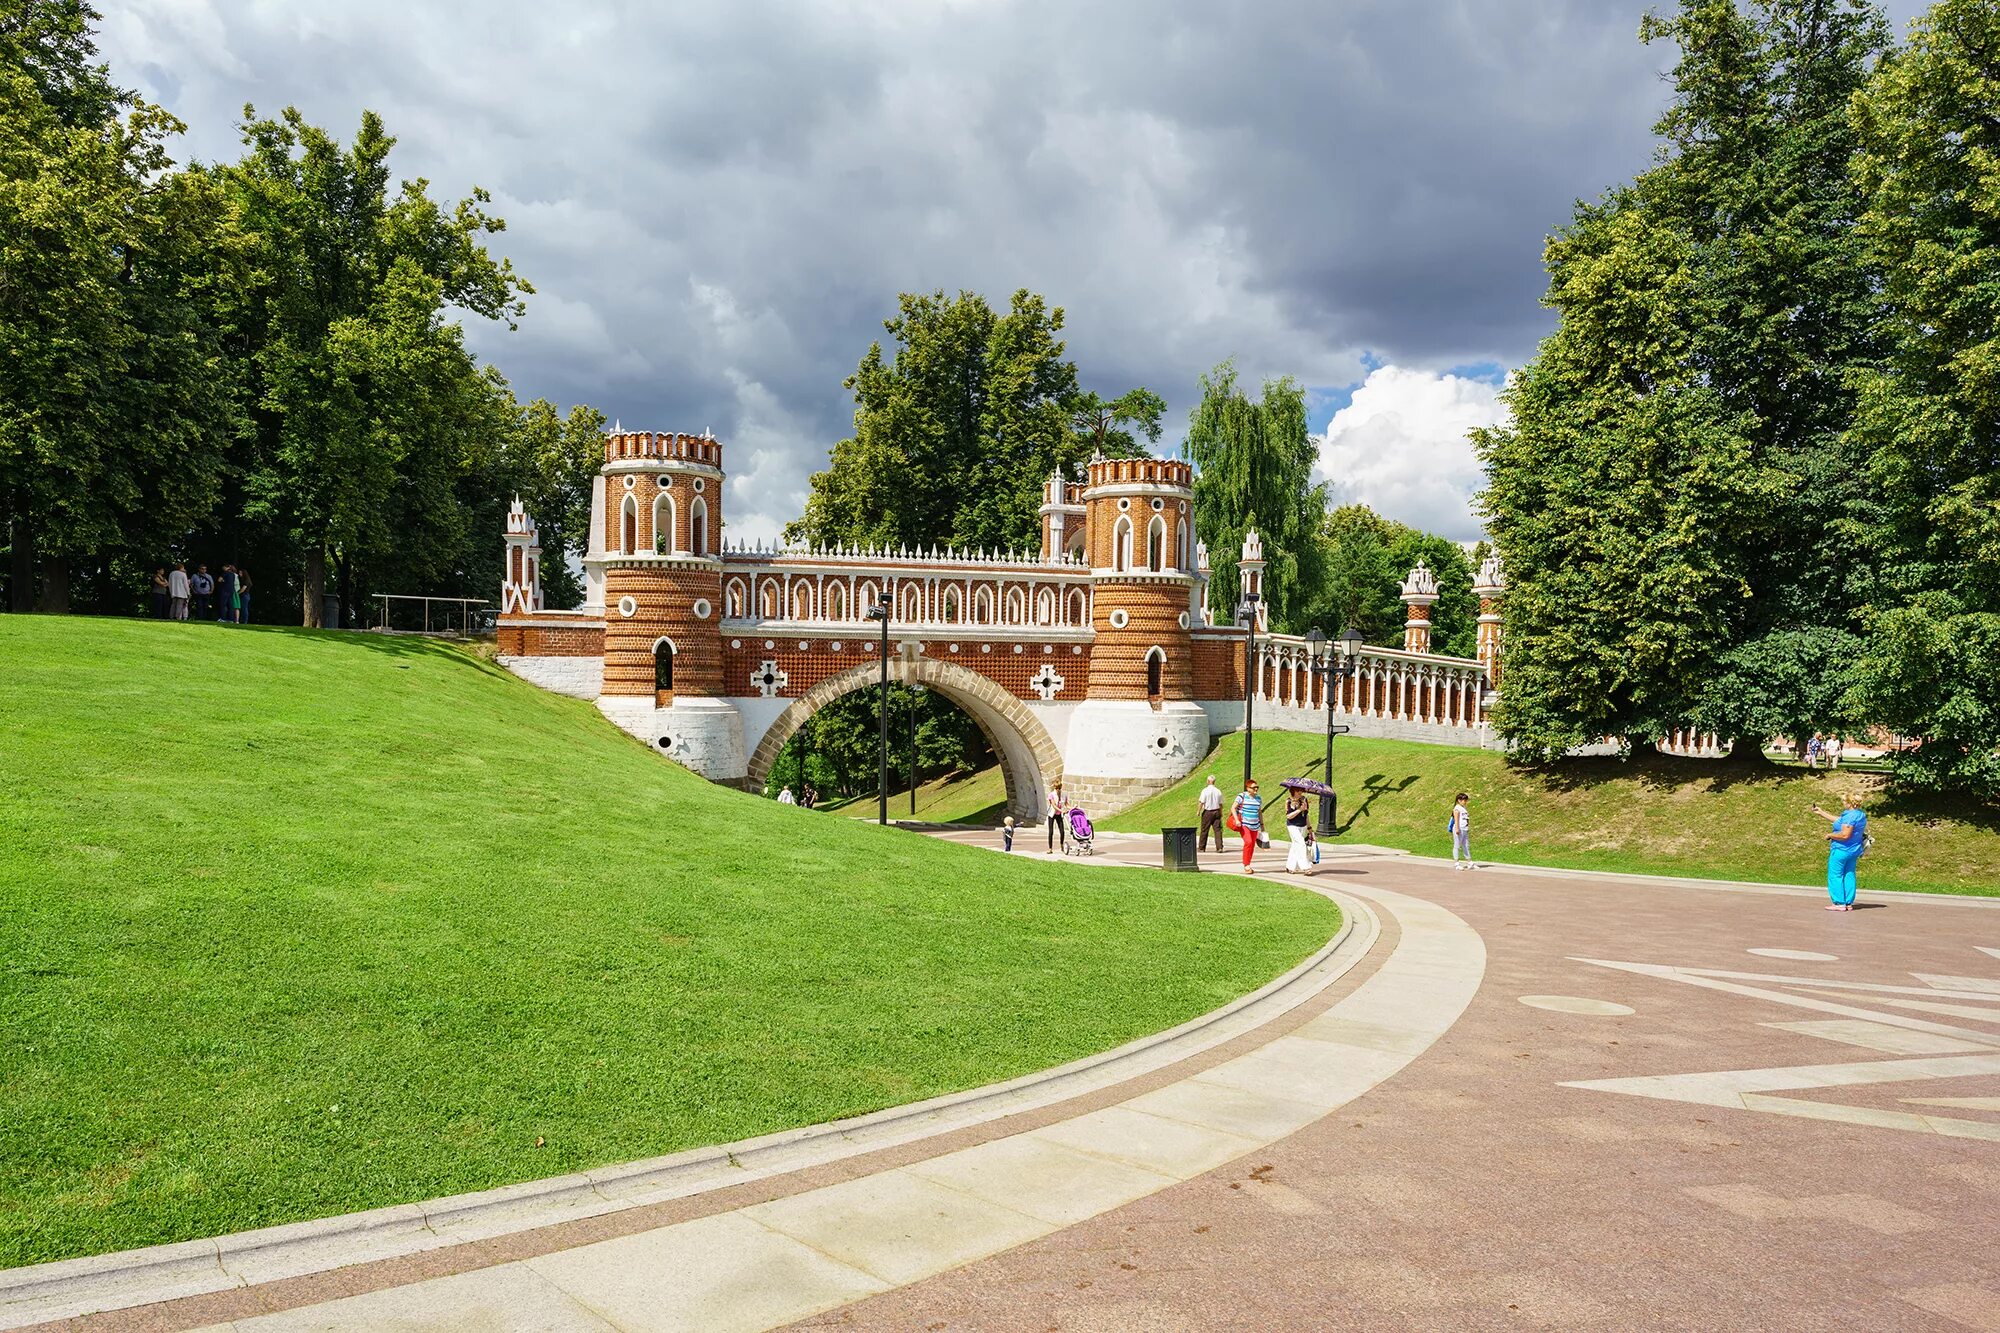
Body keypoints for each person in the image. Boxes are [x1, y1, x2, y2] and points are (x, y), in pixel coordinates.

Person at [1812, 798, 1868, 911]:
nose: (1843, 803)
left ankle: (1839, 903)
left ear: (1849, 802)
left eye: (1844, 801)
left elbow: (1844, 835)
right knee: (1849, 874)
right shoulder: (1859, 814)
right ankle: (1848, 902)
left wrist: (1830, 835)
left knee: (1835, 875)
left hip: (1841, 850)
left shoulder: (1850, 816)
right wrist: (1821, 813)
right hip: (1854, 850)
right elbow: (1840, 821)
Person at [1231, 778, 1264, 874]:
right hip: (1244, 824)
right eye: (1254, 788)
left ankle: (1248, 863)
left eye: (1257, 787)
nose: (1256, 789)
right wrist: (1237, 819)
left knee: (1252, 845)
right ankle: (1246, 865)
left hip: (1255, 825)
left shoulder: (1258, 798)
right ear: (1248, 788)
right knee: (1248, 842)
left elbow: (1259, 812)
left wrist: (1262, 825)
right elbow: (1233, 808)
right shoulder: (1242, 796)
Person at [1283, 787, 1314, 874]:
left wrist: (1309, 828)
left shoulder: (1304, 799)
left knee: (1295, 846)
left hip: (1303, 826)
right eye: (1298, 790)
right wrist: (1300, 809)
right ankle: (1306, 867)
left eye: (1301, 790)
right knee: (1301, 844)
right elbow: (1288, 816)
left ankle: (1290, 867)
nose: (1300, 792)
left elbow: (1306, 815)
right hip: (1292, 826)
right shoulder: (1288, 801)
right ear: (1293, 791)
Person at [1197, 774, 1225, 852]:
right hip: (1216, 811)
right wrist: (1221, 812)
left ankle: (1201, 847)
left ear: (1208, 781)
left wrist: (1198, 811)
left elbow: (1201, 802)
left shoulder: (1205, 791)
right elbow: (1220, 804)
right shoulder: (1218, 791)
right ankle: (1219, 847)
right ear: (1214, 781)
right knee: (1218, 830)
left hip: (1208, 812)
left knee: (1204, 830)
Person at [1449, 792, 1473, 870]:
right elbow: (1456, 819)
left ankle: (1469, 862)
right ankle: (1457, 863)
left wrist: (1467, 826)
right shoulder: (1457, 808)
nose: (1465, 802)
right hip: (1459, 829)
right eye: (1464, 800)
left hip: (1464, 829)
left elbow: (1466, 819)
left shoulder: (1464, 808)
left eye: (1466, 800)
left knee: (1466, 845)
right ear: (1459, 800)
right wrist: (1457, 828)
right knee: (1457, 846)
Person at [1046, 781, 1067, 853]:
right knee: (1051, 832)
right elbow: (1054, 805)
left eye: (1059, 788)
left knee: (1062, 831)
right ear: (1054, 788)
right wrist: (1061, 810)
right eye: (1057, 788)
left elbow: (1067, 804)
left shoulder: (1064, 794)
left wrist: (1073, 808)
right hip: (1052, 814)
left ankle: (1061, 845)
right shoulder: (1051, 795)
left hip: (1059, 815)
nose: (1058, 790)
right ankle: (1050, 848)